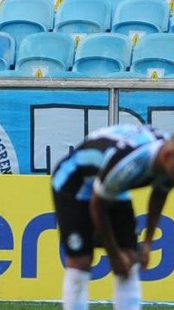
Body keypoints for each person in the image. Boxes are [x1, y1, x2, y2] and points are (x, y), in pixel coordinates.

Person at [52, 123, 174, 310]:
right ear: (167, 157)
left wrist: (148, 243)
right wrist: (114, 255)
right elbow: (97, 205)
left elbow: (160, 193)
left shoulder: (168, 158)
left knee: (130, 259)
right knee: (81, 261)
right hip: (73, 183)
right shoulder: (131, 162)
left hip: (111, 185)